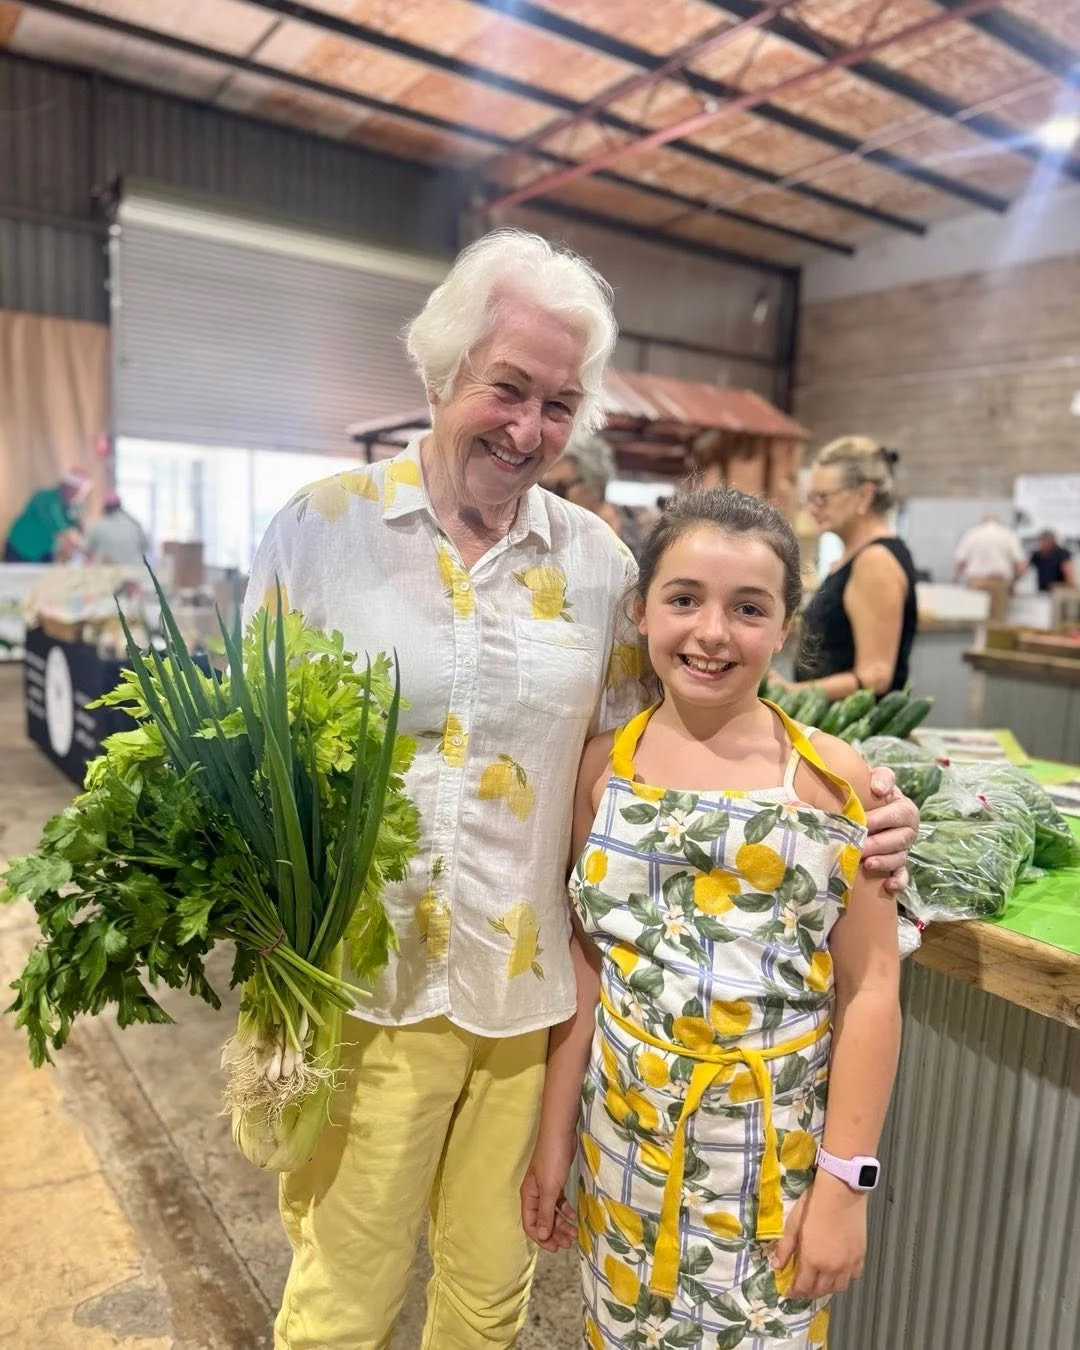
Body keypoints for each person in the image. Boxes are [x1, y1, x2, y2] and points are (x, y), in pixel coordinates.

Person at [242, 230, 918, 1350]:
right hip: (370, 988)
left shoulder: (600, 567)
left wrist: (865, 797)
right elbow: (251, 760)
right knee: (344, 1298)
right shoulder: (321, 534)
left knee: (489, 1292)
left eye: (559, 404)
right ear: (441, 374)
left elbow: (657, 756)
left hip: (532, 1001)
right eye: (507, 387)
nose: (528, 428)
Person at [522, 490, 901, 1350]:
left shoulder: (832, 783)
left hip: (770, 1166)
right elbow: (586, 960)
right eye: (684, 598)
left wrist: (845, 1186)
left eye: (749, 609)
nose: (712, 632)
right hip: (622, 1147)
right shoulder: (599, 773)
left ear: (785, 626)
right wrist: (555, 1141)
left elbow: (873, 988)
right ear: (641, 610)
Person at [786, 436, 917, 697]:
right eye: (811, 498)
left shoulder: (875, 561)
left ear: (864, 495)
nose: (813, 509)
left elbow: (876, 676)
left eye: (823, 497)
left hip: (854, 728)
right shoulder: (853, 557)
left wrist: (791, 691)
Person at [542, 428, 646, 557]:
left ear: (595, 484)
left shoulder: (633, 536)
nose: (551, 497)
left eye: (560, 488)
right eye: (546, 487)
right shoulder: (551, 531)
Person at [3, 468, 90, 563]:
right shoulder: (45, 498)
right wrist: (83, 549)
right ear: (68, 487)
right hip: (20, 547)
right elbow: (61, 530)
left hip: (44, 551)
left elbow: (83, 529)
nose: (81, 496)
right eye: (79, 491)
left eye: (83, 493)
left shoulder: (76, 506)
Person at [954, 513, 1026, 623]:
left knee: (976, 618)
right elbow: (1020, 565)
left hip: (976, 581)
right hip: (999, 582)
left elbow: (960, 561)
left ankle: (977, 639)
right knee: (998, 621)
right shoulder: (1007, 535)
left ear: (983, 521)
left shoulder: (972, 534)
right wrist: (1013, 584)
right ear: (998, 522)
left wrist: (959, 579)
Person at [82, 491, 150, 566]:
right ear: (120, 506)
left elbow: (86, 549)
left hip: (109, 572)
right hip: (135, 572)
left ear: (104, 508)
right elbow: (146, 547)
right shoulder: (134, 523)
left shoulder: (97, 526)